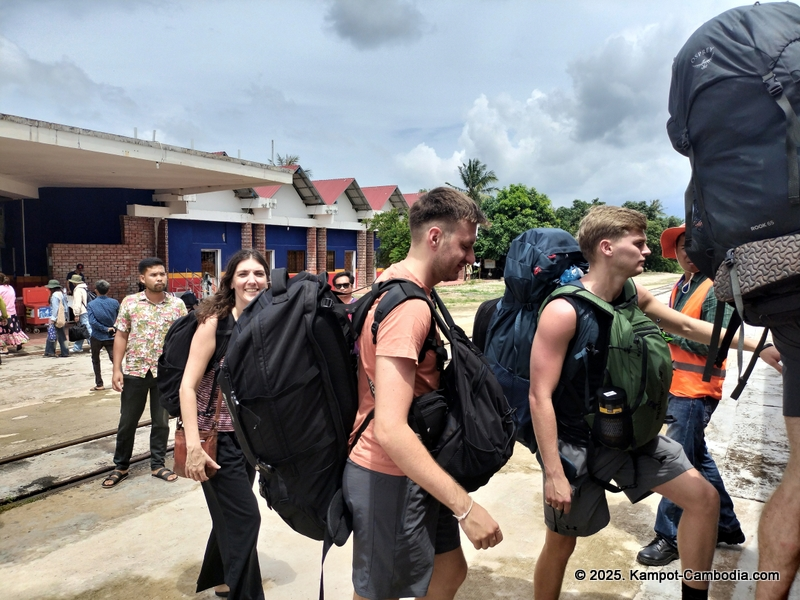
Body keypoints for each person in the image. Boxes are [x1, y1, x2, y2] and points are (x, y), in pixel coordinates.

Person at [528, 206, 781, 600]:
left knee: (703, 499)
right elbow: (538, 395)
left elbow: (683, 325)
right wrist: (553, 473)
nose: (648, 251)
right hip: (580, 446)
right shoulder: (564, 311)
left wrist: (755, 345)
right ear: (607, 247)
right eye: (639, 242)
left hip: (632, 434)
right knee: (561, 545)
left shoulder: (632, 293)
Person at [344, 187, 502, 600]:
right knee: (378, 593)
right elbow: (391, 428)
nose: (470, 258)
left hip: (419, 468)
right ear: (435, 237)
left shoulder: (391, 280)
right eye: (465, 245)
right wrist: (466, 508)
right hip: (388, 472)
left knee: (448, 572)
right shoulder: (409, 307)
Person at [636, 225, 748, 566]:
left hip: (696, 390)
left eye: (695, 246)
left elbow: (717, 343)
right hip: (676, 387)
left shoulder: (715, 288)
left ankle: (668, 536)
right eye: (682, 246)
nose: (687, 252)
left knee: (674, 463)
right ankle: (726, 525)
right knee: (697, 458)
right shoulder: (680, 286)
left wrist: (663, 333)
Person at [179, 249, 270, 600]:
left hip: (248, 440)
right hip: (215, 439)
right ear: (230, 280)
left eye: (259, 273)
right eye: (244, 273)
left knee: (230, 514)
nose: (252, 280)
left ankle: (222, 578)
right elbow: (188, 386)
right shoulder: (214, 322)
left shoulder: (268, 319)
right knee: (246, 519)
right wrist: (194, 448)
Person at [102, 257, 186, 488]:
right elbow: (121, 335)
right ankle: (121, 466)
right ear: (142, 278)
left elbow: (183, 339)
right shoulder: (130, 303)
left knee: (161, 422)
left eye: (162, 274)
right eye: (153, 275)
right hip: (135, 371)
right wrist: (116, 369)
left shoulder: (177, 305)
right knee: (128, 421)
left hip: (165, 374)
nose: (159, 278)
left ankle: (157, 464)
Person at [86, 280, 119, 392]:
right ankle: (122, 380)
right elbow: (121, 318)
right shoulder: (115, 303)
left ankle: (99, 384)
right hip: (111, 336)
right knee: (115, 359)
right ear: (108, 290)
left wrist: (104, 329)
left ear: (96, 291)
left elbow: (92, 321)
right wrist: (114, 328)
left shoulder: (91, 304)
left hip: (97, 336)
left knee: (95, 359)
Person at [0, 273, 28, 353]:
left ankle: (4, 348)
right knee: (14, 329)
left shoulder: (0, 289)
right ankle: (19, 342)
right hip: (13, 312)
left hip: (3, 314)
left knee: (3, 331)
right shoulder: (11, 288)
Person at [44, 279, 69, 358]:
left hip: (56, 318)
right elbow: (66, 307)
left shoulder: (54, 295)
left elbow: (55, 308)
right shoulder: (62, 294)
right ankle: (65, 351)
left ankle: (50, 351)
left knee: (52, 335)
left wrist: (53, 318)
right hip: (62, 318)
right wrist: (66, 317)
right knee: (62, 336)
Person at [69, 274, 92, 353]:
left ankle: (94, 345)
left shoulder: (78, 290)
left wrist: (76, 314)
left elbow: (77, 303)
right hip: (86, 310)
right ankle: (77, 347)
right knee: (81, 329)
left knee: (87, 329)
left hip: (82, 312)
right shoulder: (84, 288)